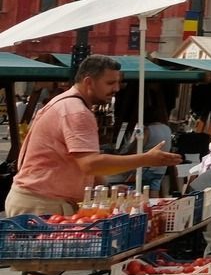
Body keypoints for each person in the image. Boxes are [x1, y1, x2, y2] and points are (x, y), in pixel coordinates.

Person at [6, 55, 181, 217]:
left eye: (118, 83)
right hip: (43, 203)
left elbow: (84, 162)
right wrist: (146, 159)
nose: (117, 89)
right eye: (110, 83)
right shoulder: (77, 111)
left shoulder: (68, 103)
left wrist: (105, 189)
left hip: (40, 200)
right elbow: (90, 164)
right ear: (89, 82)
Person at [140, 93, 177, 196]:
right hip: (161, 168)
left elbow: (138, 147)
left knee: (143, 192)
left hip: (146, 167)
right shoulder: (167, 128)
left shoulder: (148, 130)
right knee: (154, 191)